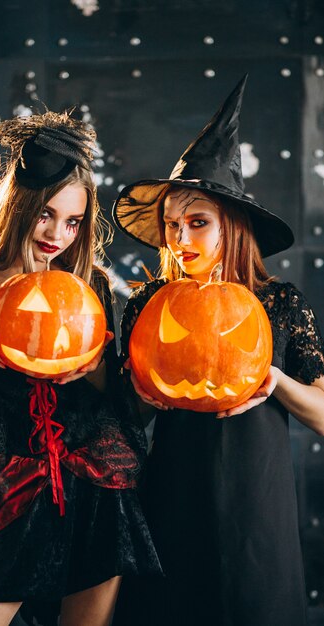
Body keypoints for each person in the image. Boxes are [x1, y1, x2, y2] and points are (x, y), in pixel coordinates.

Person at [0, 109, 161, 626]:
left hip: (94, 483)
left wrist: (89, 365)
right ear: (19, 206)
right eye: (46, 214)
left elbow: (117, 398)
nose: (58, 234)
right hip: (12, 489)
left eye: (72, 221)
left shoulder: (87, 283)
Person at [112, 76, 324, 626]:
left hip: (259, 502)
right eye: (172, 225)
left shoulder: (278, 303)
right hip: (171, 493)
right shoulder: (148, 303)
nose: (181, 238)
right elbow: (115, 422)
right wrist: (138, 398)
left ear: (232, 226)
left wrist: (274, 380)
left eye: (198, 222)